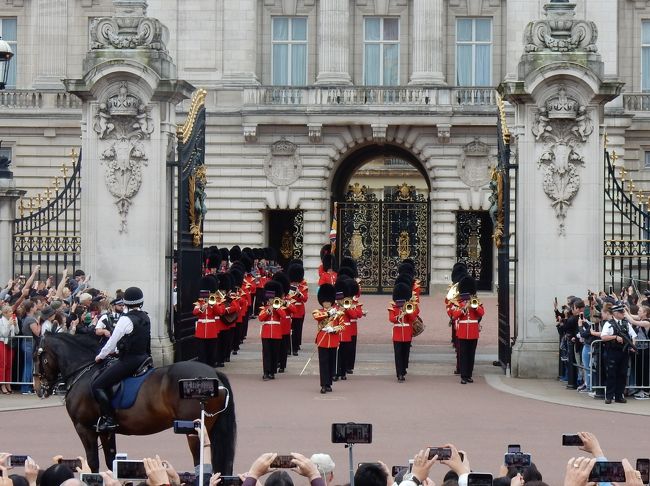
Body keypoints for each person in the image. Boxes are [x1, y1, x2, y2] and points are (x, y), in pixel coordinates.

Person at [91, 286, 152, 432]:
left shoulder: (126, 320)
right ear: (141, 302)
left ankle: (110, 419)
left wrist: (101, 356)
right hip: (144, 358)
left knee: (97, 385)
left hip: (130, 360)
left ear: (126, 303)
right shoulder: (145, 316)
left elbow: (112, 342)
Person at [600, 302, 637, 404]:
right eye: (620, 312)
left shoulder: (626, 323)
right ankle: (609, 396)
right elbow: (603, 337)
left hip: (624, 352)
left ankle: (619, 396)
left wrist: (633, 345)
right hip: (613, 352)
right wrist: (615, 337)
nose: (622, 314)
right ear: (615, 313)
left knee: (622, 374)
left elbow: (633, 336)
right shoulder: (609, 324)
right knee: (611, 374)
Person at [313, 283, 343, 393]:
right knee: (323, 362)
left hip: (333, 340)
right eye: (324, 302)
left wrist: (334, 329)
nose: (326, 303)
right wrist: (328, 313)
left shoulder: (338, 313)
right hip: (322, 340)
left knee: (331, 363)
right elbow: (317, 317)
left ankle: (329, 383)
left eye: (328, 301)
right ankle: (323, 384)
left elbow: (342, 326)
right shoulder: (318, 311)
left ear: (331, 301)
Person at [389, 282, 420, 383]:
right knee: (398, 354)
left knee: (405, 354)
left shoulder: (410, 306)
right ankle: (400, 374)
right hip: (397, 334)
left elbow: (412, 318)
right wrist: (399, 316)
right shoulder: (393, 307)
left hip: (407, 333)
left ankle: (404, 369)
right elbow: (391, 319)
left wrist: (406, 312)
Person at [258, 281, 285, 381]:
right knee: (266, 353)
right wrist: (268, 311)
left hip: (276, 333)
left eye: (272, 299)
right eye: (269, 299)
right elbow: (260, 318)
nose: (270, 301)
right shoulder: (263, 308)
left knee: (274, 353)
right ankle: (266, 372)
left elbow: (283, 316)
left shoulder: (279, 307)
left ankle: (272, 372)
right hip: (266, 333)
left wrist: (276, 308)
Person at [0, 305, 19, 394]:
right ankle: (2, 384)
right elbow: (4, 333)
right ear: (5, 313)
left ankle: (8, 383)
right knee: (3, 364)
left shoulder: (14, 319)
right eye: (10, 312)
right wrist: (8, 325)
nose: (12, 313)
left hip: (11, 343)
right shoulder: (1, 321)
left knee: (9, 365)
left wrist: (15, 325)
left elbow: (17, 332)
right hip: (3, 343)